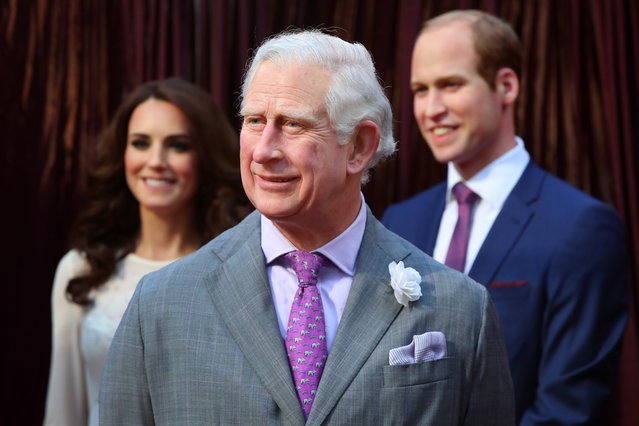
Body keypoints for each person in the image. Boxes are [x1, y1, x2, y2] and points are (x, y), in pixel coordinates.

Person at [99, 29, 515, 425]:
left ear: (359, 146)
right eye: (255, 121)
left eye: (292, 124)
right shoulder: (161, 304)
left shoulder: (460, 309)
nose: (263, 151)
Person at [382, 10, 629, 425]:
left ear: (506, 86)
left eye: (451, 84)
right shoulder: (399, 221)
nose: (431, 108)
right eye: (420, 90)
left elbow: (568, 409)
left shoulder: (582, 227)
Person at [44, 77, 249, 426]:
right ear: (121, 154)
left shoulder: (237, 271)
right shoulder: (82, 270)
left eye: (178, 145)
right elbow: (63, 410)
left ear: (205, 158)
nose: (156, 161)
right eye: (140, 143)